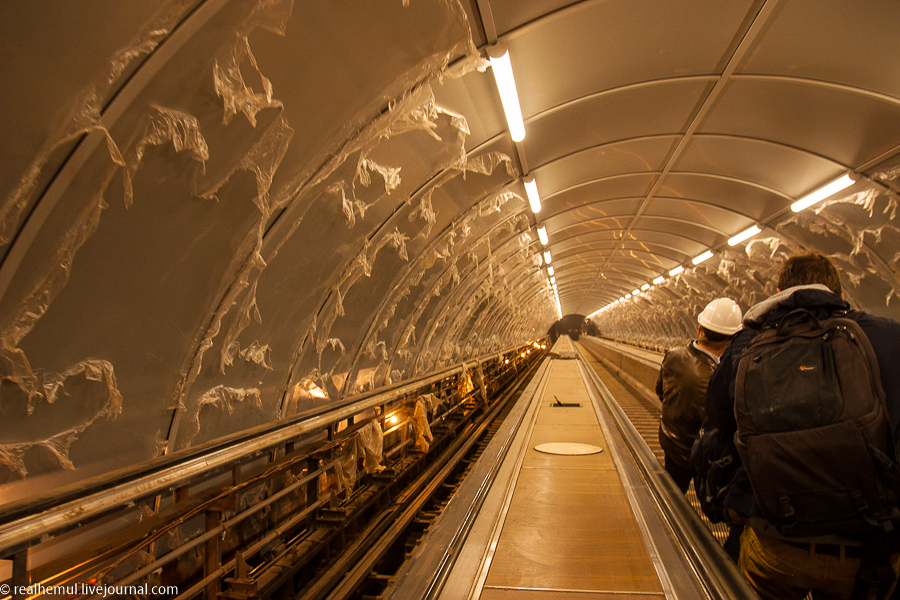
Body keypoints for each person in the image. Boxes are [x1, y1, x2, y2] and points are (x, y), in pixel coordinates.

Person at [706, 251, 900, 600]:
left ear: (780, 291)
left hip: (774, 539)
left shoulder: (746, 344)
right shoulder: (889, 339)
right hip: (868, 550)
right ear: (840, 295)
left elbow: (719, 421)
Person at [656, 297, 742, 493]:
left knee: (674, 491)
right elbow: (719, 424)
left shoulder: (673, 353)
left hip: (670, 442)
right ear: (730, 341)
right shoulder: (714, 380)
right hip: (694, 453)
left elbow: (660, 391)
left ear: (699, 329)